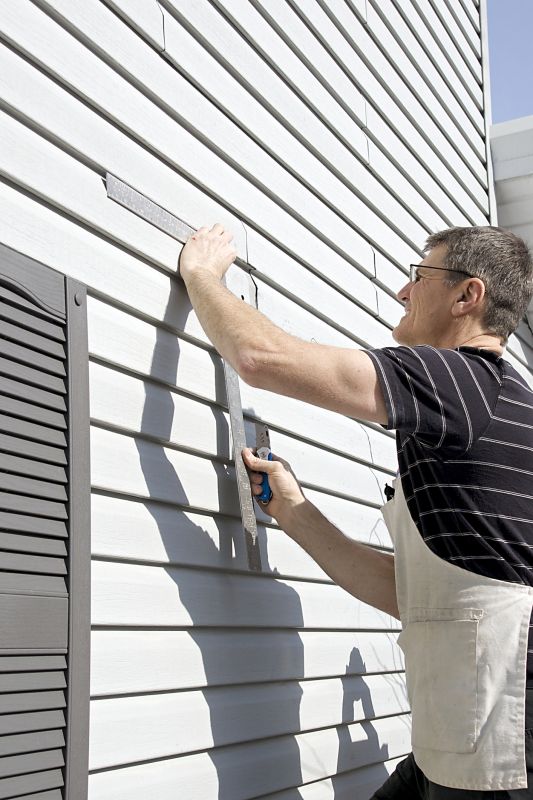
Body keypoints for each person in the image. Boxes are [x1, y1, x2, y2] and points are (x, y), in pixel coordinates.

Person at [179, 223, 533, 798]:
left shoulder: (467, 382)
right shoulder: (488, 407)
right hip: (460, 737)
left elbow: (260, 358)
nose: (402, 291)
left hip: (500, 752)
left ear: (467, 297)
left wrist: (201, 275)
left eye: (420, 276)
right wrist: (295, 512)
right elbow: (411, 596)